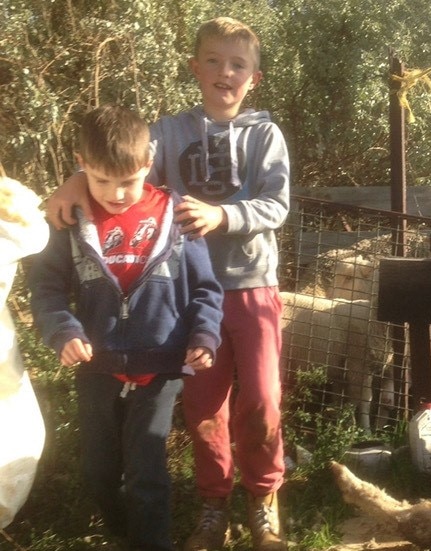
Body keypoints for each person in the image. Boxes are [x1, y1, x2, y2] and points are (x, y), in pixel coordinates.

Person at [45, 17, 291, 551]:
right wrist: (70, 180)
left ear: (255, 78)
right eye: (213, 61)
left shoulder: (264, 134)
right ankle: (213, 504)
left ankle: (264, 494)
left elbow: (277, 204)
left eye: (237, 64)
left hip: (250, 284)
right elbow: (117, 161)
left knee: (263, 399)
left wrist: (223, 217)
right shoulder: (168, 131)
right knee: (204, 406)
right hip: (181, 296)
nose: (225, 72)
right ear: (194, 68)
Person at [29, 105, 224, 551]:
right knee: (97, 470)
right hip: (96, 365)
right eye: (101, 181)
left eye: (128, 181)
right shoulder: (71, 221)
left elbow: (207, 290)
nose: (116, 194)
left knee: (146, 471)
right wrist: (63, 331)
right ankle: (120, 526)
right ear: (81, 164)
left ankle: (150, 540)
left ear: (148, 162)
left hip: (160, 364)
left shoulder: (178, 218)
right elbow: (46, 287)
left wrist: (203, 335)